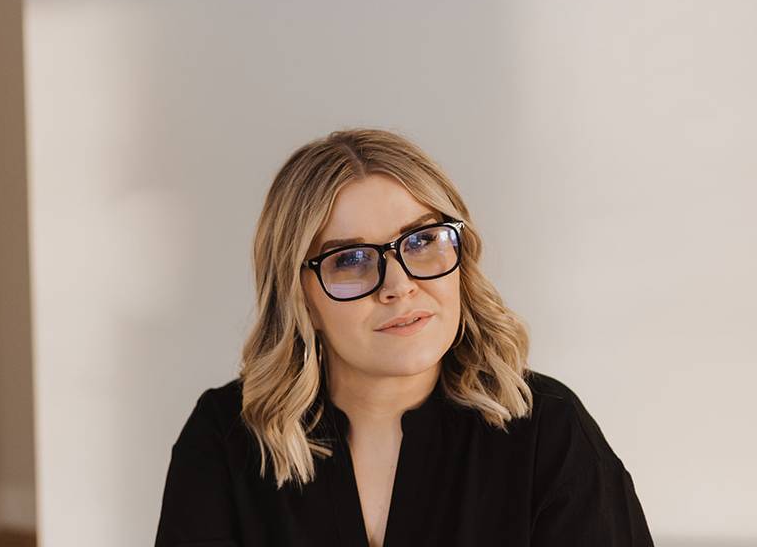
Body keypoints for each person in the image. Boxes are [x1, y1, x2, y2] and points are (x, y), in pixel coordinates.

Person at [154, 128, 654, 546]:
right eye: (348, 259)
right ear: (300, 296)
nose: (399, 285)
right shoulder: (225, 441)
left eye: (422, 241)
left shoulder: (550, 432)